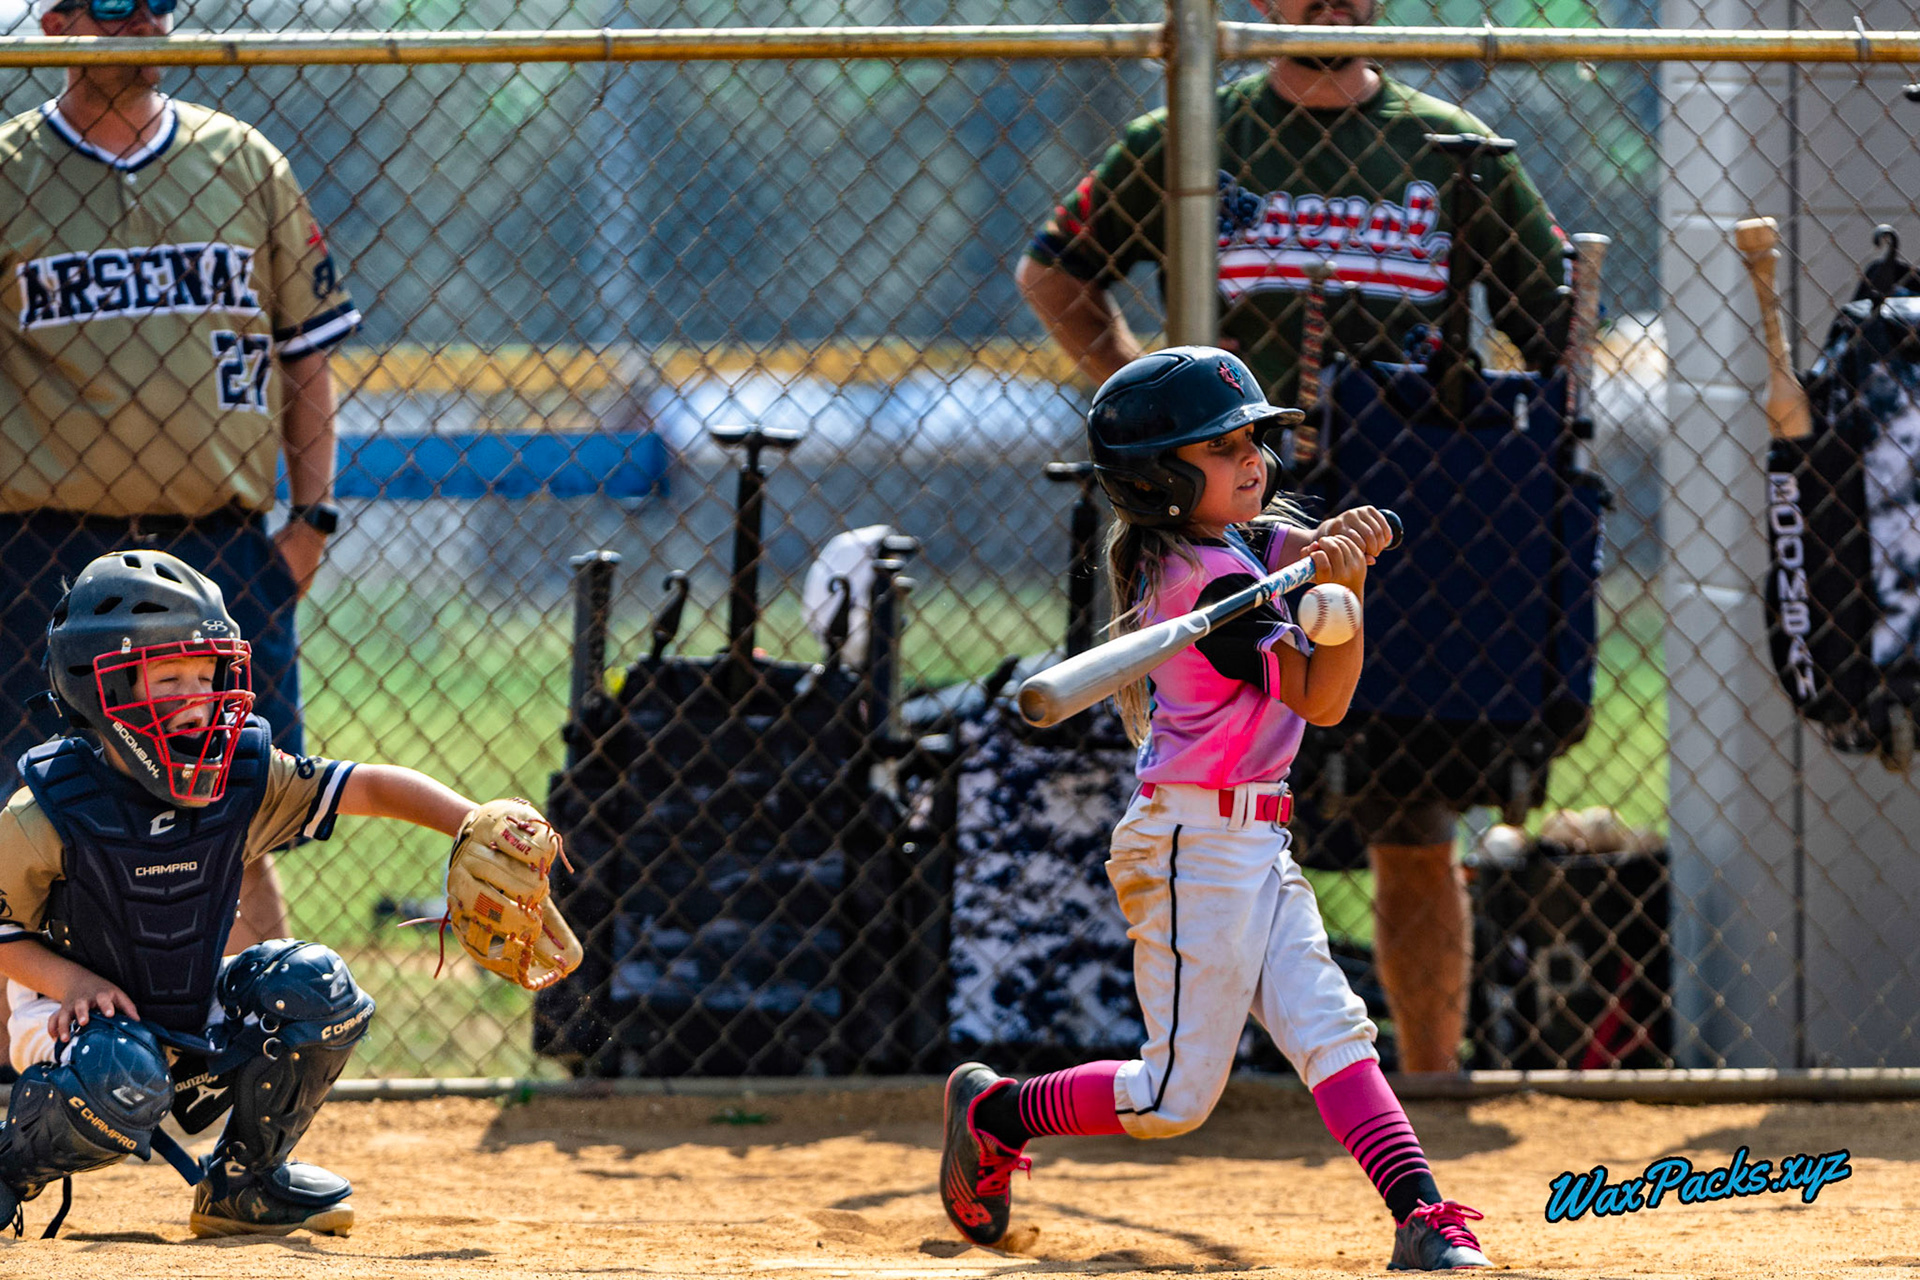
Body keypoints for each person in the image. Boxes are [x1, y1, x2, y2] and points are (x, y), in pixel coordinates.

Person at [1016, 0, 1570, 1073]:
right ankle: (1193, 1066)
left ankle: (1428, 1079)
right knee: (1224, 794)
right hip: (1228, 529)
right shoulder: (1190, 132)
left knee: (1415, 817)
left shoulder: (1450, 147)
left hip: (1399, 525)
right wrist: (1149, 427)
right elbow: (1055, 269)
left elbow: (1552, 325)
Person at [939, 347, 1488, 1271]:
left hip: (1254, 837)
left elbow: (1286, 543)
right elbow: (1322, 700)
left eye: (1252, 442)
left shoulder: (1237, 546)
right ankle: (993, 1114)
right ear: (1158, 480)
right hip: (1192, 846)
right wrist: (1343, 593)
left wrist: (1332, 547)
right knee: (1171, 1100)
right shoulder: (1209, 591)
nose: (1253, 463)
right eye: (1222, 448)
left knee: (1332, 1032)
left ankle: (1424, 1217)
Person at [0, 550, 535, 1238]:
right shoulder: (47, 807)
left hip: (186, 1004)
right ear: (98, 687)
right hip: (67, 1024)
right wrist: (68, 981)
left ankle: (245, 1182)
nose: (198, 695)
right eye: (169, 677)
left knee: (316, 987)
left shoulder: (242, 777)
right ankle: (12, 1168)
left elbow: (365, 785)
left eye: (207, 673)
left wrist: (469, 818)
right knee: (115, 1068)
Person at [0, 0, 362, 977]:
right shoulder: (9, 169)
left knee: (231, 797)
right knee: (24, 806)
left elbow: (308, 362)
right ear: (59, 20)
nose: (144, 23)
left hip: (217, 548)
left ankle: (259, 1043)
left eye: (159, 3)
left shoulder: (242, 161)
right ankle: (30, 1059)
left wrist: (312, 520)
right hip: (40, 553)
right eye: (116, 3)